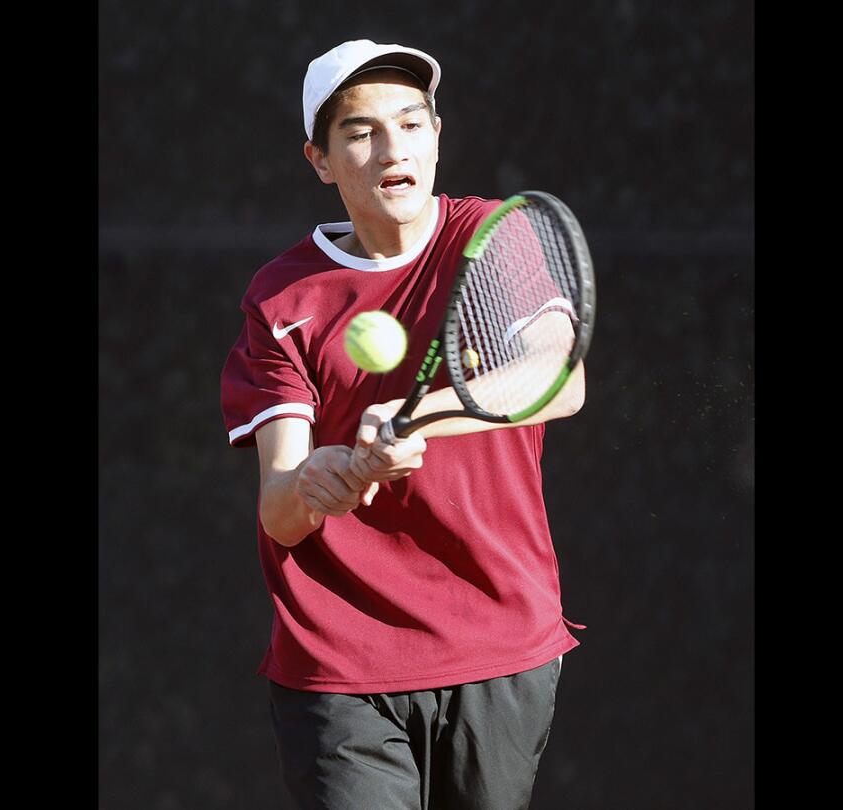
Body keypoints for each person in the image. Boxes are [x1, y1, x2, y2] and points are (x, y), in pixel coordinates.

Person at [220, 39, 587, 810]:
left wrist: (418, 417)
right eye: (360, 132)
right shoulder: (281, 298)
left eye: (412, 124)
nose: (393, 148)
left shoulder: (493, 237)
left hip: (499, 641)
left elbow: (560, 376)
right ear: (320, 160)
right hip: (338, 662)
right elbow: (281, 512)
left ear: (437, 136)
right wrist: (319, 482)